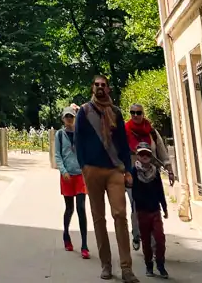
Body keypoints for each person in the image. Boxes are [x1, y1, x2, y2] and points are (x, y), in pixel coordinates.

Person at [75, 75, 138, 283]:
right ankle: (106, 264)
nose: (100, 87)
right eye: (97, 84)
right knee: (98, 218)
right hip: (92, 170)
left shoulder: (116, 112)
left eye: (103, 85)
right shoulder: (84, 112)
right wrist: (84, 167)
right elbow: (78, 141)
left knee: (120, 214)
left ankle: (126, 268)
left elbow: (123, 143)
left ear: (108, 89)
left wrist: (128, 169)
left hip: (114, 170)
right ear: (92, 88)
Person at [125, 104, 174, 251]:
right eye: (132, 112)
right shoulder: (125, 132)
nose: (135, 115)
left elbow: (162, 152)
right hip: (133, 176)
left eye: (138, 112)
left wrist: (169, 170)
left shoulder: (152, 132)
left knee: (152, 207)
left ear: (143, 113)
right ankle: (136, 233)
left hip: (152, 175)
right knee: (135, 205)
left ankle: (153, 242)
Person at [54, 107, 89, 259]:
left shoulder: (80, 133)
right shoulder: (60, 135)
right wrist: (63, 171)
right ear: (63, 119)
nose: (69, 119)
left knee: (81, 208)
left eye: (72, 117)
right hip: (67, 175)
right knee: (70, 209)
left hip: (80, 175)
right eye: (67, 117)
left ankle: (84, 245)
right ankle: (66, 234)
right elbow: (57, 155)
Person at [131, 144, 169, 278]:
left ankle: (161, 265)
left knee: (160, 239)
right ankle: (149, 266)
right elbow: (132, 192)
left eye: (147, 154)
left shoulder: (155, 172)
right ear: (138, 156)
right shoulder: (134, 172)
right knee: (146, 241)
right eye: (142, 154)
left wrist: (164, 207)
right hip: (142, 211)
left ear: (151, 156)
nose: (145, 157)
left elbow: (160, 190)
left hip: (155, 210)